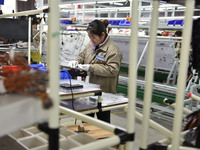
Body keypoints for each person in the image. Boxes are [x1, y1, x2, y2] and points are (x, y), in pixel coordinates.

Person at [68, 19, 122, 123]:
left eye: (93, 37)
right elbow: (82, 55)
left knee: (103, 122)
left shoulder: (113, 51)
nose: (91, 40)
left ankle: (106, 139)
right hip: (89, 90)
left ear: (102, 35)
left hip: (104, 92)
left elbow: (112, 70)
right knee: (86, 120)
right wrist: (75, 61)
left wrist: (90, 67)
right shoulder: (91, 44)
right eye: (89, 37)